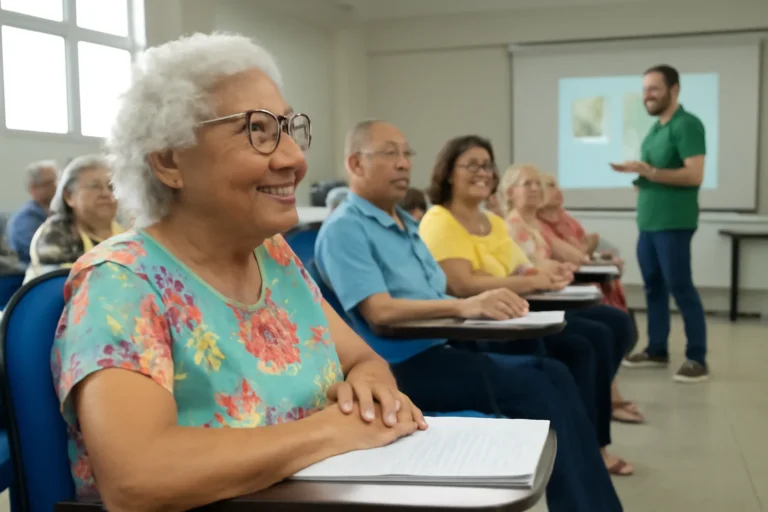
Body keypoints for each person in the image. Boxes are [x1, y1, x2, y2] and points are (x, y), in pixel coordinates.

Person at [52, 34, 427, 511]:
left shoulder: (272, 255)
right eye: (258, 131)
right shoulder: (121, 282)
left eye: (287, 128)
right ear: (168, 161)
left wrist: (371, 392)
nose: (294, 158)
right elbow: (137, 478)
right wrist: (332, 431)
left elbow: (365, 361)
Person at [315, 120, 624, 511]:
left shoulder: (405, 223)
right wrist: (464, 305)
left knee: (558, 365)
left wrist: (488, 301)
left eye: (407, 153)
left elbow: (434, 293)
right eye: (390, 153)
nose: (404, 163)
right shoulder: (345, 229)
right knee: (542, 385)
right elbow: (380, 312)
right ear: (355, 164)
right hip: (401, 365)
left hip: (441, 343)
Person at [419, 134, 636, 473]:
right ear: (448, 173)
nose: (482, 172)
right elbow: (463, 284)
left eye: (487, 165)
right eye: (471, 165)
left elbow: (519, 267)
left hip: (513, 312)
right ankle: (586, 442)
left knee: (613, 325)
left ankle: (584, 432)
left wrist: (545, 272)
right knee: (585, 344)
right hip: (479, 327)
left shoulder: (492, 221)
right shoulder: (439, 220)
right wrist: (526, 281)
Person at [498, 163, 642, 426]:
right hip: (534, 303)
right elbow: (522, 269)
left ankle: (598, 399)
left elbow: (569, 258)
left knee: (619, 323)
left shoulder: (534, 224)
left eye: (537, 184)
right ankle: (594, 409)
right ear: (509, 192)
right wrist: (551, 269)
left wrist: (558, 267)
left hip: (549, 294)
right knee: (598, 335)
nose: (535, 189)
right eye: (527, 184)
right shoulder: (512, 226)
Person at [610, 64, 709, 383]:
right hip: (649, 223)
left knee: (680, 287)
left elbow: (694, 174)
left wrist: (651, 173)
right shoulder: (655, 129)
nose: (647, 96)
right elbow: (654, 173)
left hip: (673, 222)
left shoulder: (687, 125)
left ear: (674, 89)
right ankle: (656, 349)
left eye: (654, 89)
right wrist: (639, 175)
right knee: (653, 287)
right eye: (644, 90)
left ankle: (697, 358)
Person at [25, 155, 124, 282]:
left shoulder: (128, 231)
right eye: (94, 186)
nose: (106, 193)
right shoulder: (54, 236)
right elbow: (70, 287)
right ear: (69, 196)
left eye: (111, 187)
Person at [7, 160, 58, 263]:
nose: (57, 186)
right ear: (33, 188)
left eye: (57, 180)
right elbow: (42, 253)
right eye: (49, 183)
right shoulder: (25, 219)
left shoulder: (58, 213)